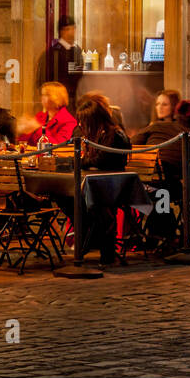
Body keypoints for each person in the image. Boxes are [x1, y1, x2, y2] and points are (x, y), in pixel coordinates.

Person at [75, 95, 129, 266]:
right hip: (99, 184)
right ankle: (89, 238)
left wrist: (80, 161)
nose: (81, 125)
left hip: (115, 186)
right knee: (65, 196)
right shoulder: (97, 135)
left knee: (98, 206)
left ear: (94, 120)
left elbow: (100, 160)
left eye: (84, 121)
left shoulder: (114, 135)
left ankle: (101, 247)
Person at [36, 15, 83, 105]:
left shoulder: (77, 51)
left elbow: (77, 75)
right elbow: (43, 79)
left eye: (74, 28)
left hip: (72, 99)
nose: (72, 32)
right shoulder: (53, 53)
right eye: (69, 29)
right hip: (56, 101)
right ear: (62, 31)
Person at [19, 82, 78, 146]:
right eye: (42, 94)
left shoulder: (68, 121)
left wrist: (37, 128)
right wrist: (23, 130)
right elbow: (25, 143)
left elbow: (59, 147)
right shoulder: (40, 116)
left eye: (46, 95)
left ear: (57, 98)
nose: (42, 98)